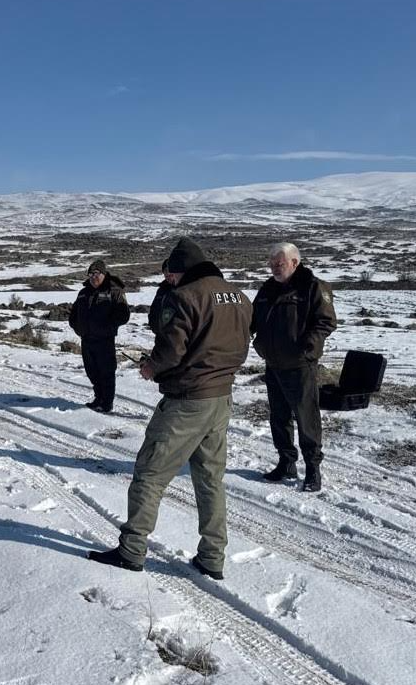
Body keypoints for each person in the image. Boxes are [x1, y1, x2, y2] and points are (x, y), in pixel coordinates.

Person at [88, 238, 252, 580]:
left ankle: (131, 550)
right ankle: (212, 557)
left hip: (187, 401)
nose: (170, 280)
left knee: (149, 474)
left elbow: (172, 350)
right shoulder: (238, 296)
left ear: (184, 270)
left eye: (173, 274)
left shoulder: (185, 296)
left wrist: (151, 367)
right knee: (210, 480)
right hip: (221, 398)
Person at [251, 242, 337, 493]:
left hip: (300, 365)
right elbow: (252, 319)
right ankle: (286, 462)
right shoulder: (268, 289)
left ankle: (312, 468)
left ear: (294, 262)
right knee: (279, 417)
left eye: (279, 263)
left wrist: (309, 345)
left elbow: (326, 321)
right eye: (271, 264)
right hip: (273, 364)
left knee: (306, 418)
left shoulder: (312, 287)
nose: (274, 268)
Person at [68, 259, 130, 413]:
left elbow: (124, 315)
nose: (93, 277)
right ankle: (98, 398)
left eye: (96, 274)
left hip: (104, 340)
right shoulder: (83, 293)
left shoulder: (114, 291)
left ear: (103, 274)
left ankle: (107, 402)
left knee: (106, 372)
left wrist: (108, 327)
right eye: (90, 274)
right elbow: (73, 314)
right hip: (87, 339)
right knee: (92, 371)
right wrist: (78, 327)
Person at [147, 259, 177, 334]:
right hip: (160, 334)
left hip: (176, 334)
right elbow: (153, 309)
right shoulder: (162, 290)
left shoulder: (182, 290)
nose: (168, 277)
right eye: (166, 275)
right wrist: (154, 326)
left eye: (170, 275)